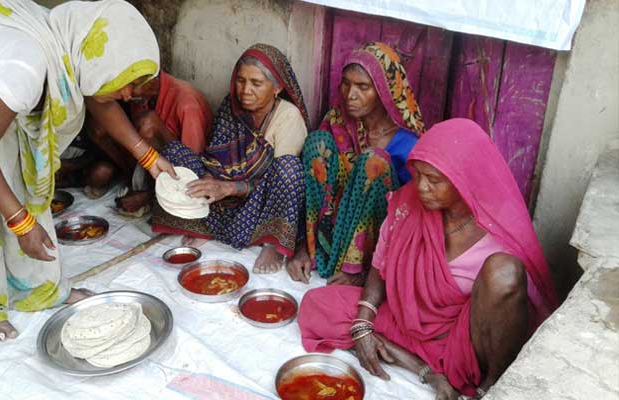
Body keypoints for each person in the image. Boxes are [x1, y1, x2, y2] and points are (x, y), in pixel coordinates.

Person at [0, 0, 176, 343]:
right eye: (126, 83)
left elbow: (98, 93)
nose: (129, 95)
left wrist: (147, 156)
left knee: (18, 172)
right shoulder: (24, 67)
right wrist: (21, 222)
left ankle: (36, 288)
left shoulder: (71, 45)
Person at [298, 118, 558, 399]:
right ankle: (410, 359)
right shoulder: (408, 203)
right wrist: (363, 324)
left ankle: (491, 387)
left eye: (434, 180)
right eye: (418, 174)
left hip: (462, 340)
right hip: (403, 322)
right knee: (316, 303)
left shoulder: (499, 225)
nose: (421, 187)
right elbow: (379, 267)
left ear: (464, 180)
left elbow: (520, 312)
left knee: (503, 272)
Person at [152, 43, 309, 273]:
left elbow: (280, 182)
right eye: (241, 80)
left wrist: (230, 188)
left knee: (289, 168)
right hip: (221, 195)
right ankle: (200, 225)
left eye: (256, 83)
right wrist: (208, 181)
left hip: (259, 206)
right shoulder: (232, 105)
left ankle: (272, 244)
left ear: (276, 88)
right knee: (173, 154)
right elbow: (214, 156)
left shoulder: (288, 117)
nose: (245, 90)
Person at [288, 42, 426, 286]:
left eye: (363, 87)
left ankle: (358, 269)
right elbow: (317, 187)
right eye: (346, 83)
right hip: (334, 230)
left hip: (380, 242)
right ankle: (312, 248)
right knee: (317, 144)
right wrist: (300, 246)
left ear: (384, 90)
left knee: (373, 162)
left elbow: (413, 213)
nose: (350, 94)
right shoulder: (337, 121)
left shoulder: (408, 143)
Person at [58, 70, 213, 207]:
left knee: (148, 124)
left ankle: (149, 192)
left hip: (179, 175)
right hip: (149, 163)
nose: (125, 96)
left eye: (131, 88)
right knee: (100, 129)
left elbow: (195, 170)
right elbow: (134, 144)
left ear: (152, 80)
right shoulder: (139, 95)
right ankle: (131, 181)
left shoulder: (187, 103)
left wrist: (149, 196)